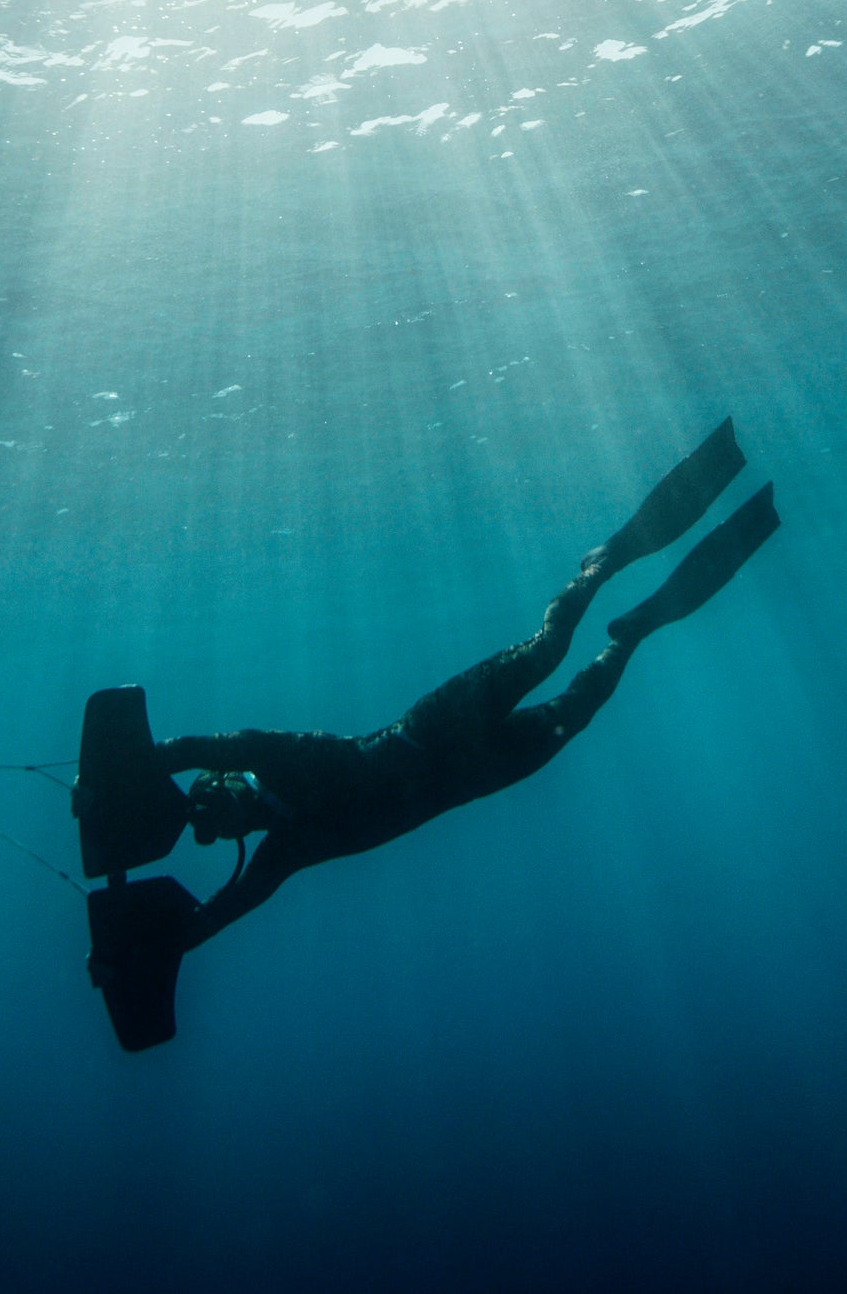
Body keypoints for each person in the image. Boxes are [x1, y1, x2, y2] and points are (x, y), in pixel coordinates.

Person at [78, 418, 778, 1049]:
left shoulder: (278, 761)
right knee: (580, 704)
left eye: (205, 799)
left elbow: (216, 746)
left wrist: (142, 760)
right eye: (206, 825)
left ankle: (605, 558)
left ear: (228, 784)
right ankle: (638, 628)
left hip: (444, 722)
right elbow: (219, 912)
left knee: (548, 646)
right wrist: (142, 956)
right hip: (473, 775)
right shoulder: (284, 851)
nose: (208, 813)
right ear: (222, 835)